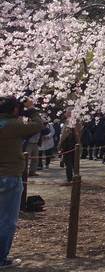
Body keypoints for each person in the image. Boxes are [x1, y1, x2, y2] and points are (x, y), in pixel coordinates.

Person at [0, 95, 43, 269]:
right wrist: (31, 109)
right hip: (9, 175)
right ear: (14, 110)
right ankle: (1, 258)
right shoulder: (14, 126)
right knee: (7, 220)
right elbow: (38, 125)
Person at [57, 107, 82, 185]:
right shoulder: (78, 122)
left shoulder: (69, 121)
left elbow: (65, 134)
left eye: (67, 112)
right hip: (75, 144)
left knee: (68, 163)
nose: (65, 114)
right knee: (74, 162)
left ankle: (70, 179)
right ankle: (76, 177)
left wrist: (59, 145)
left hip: (68, 144)